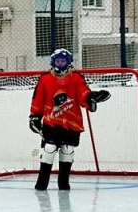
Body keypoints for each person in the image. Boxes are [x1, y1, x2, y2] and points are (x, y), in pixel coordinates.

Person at [28, 49, 110, 191]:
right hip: (51, 121)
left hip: (72, 121)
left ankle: (64, 183)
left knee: (67, 150)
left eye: (63, 61)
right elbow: (38, 99)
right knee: (49, 148)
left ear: (69, 62)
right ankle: (41, 183)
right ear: (53, 62)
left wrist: (91, 98)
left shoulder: (76, 78)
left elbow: (83, 93)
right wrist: (34, 116)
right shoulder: (45, 79)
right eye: (58, 61)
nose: (60, 64)